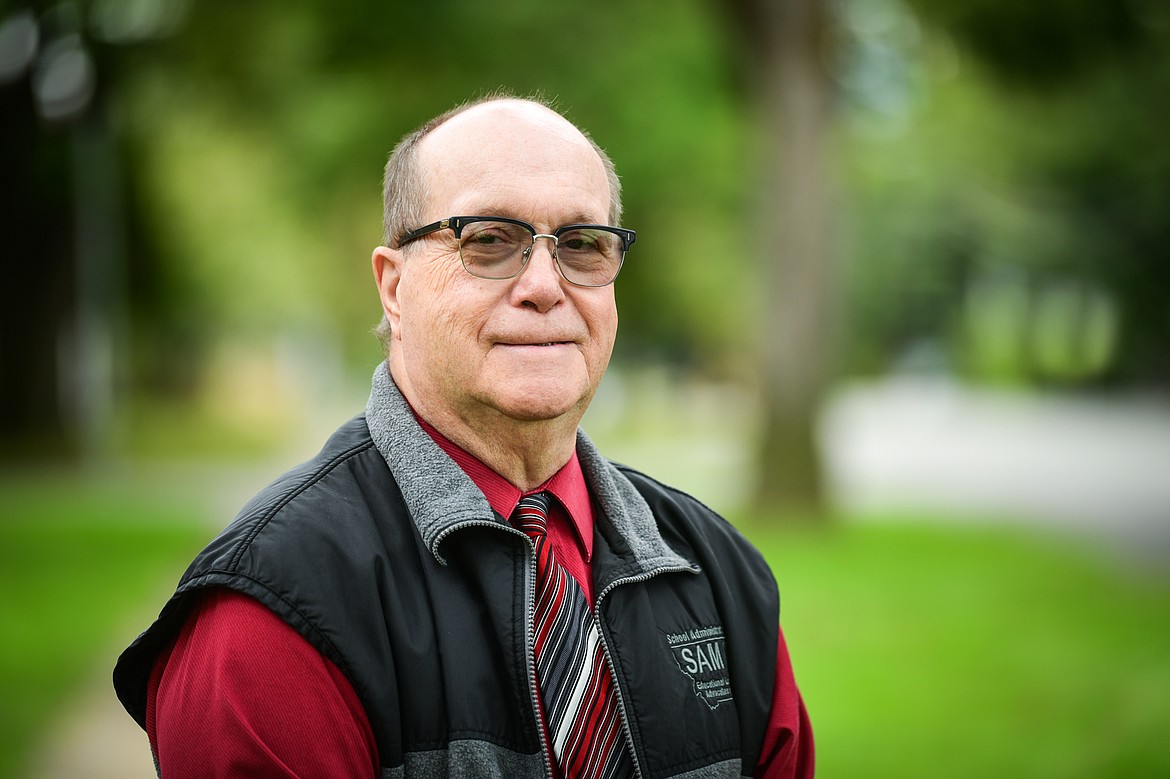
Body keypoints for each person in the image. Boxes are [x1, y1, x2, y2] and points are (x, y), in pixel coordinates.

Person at [113, 95, 814, 779]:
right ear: (394, 287)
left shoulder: (722, 577)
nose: (545, 284)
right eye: (489, 239)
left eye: (582, 244)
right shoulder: (270, 615)